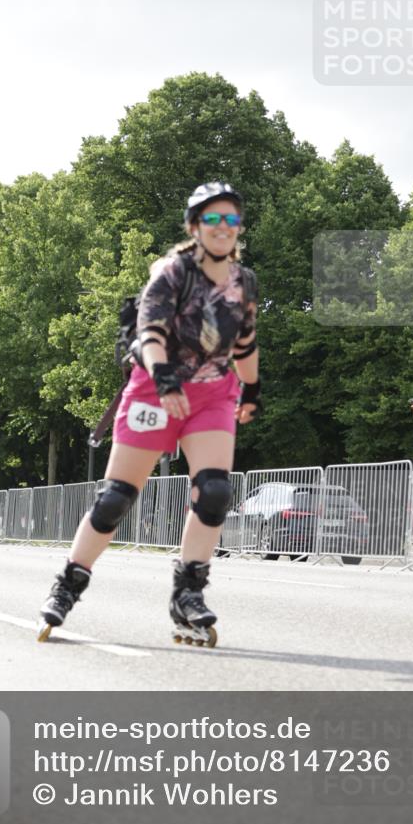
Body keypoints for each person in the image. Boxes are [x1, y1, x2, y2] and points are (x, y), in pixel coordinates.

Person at [37, 181, 261, 646]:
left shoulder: (244, 283)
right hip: (154, 389)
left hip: (213, 394)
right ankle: (69, 583)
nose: (223, 227)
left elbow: (245, 343)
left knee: (215, 491)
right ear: (195, 226)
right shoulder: (172, 273)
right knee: (117, 497)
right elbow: (152, 332)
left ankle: (188, 594)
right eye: (213, 219)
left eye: (231, 219)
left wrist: (253, 389)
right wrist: (164, 379)